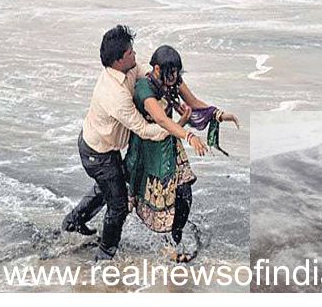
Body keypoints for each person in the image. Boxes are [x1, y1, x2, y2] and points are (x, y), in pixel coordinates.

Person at [62, 27, 207, 261]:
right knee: (118, 205)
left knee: (107, 189)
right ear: (118, 60)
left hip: (103, 146)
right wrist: (181, 127)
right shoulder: (115, 94)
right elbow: (145, 129)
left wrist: (178, 97)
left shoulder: (129, 69)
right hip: (97, 153)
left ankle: (72, 222)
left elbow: (151, 78)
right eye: (130, 52)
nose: (135, 54)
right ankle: (104, 256)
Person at [125, 45, 239, 262]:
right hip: (149, 148)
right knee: (151, 199)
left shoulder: (173, 81)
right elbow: (161, 119)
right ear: (157, 69)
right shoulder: (144, 88)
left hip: (170, 145)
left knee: (184, 194)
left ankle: (174, 241)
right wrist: (189, 136)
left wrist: (220, 115)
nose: (175, 77)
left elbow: (193, 103)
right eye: (171, 72)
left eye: (177, 72)